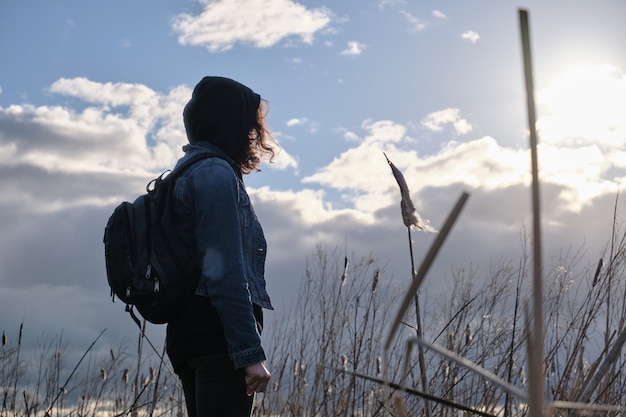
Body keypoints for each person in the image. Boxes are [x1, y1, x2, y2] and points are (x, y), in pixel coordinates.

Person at [165, 76, 275, 417]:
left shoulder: (185, 173)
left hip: (189, 335)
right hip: (217, 339)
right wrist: (248, 353)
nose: (253, 135)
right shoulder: (215, 174)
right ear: (231, 124)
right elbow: (225, 272)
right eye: (249, 126)